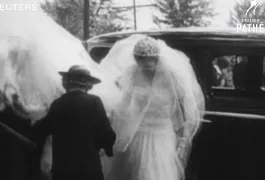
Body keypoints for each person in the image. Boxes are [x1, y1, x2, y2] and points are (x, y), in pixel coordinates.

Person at [100, 35, 205, 180]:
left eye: (148, 66)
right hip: (138, 133)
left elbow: (179, 108)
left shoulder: (172, 76)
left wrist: (183, 137)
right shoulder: (132, 72)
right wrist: (112, 121)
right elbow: (124, 102)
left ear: (156, 60)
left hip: (161, 134)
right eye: (140, 64)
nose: (143, 69)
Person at [31, 65, 117, 180]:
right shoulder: (94, 102)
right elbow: (107, 134)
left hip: (64, 169)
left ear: (66, 83)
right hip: (89, 167)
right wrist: (106, 147)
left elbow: (41, 130)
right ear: (88, 85)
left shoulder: (58, 103)